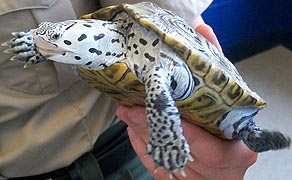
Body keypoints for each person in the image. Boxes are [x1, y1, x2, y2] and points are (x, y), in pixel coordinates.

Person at [0, 0, 257, 179]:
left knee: (160, 81)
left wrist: (165, 138)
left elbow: (179, 24)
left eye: (53, 38)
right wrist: (42, 43)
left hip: (129, 148)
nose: (42, 41)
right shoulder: (82, 47)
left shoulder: (136, 39)